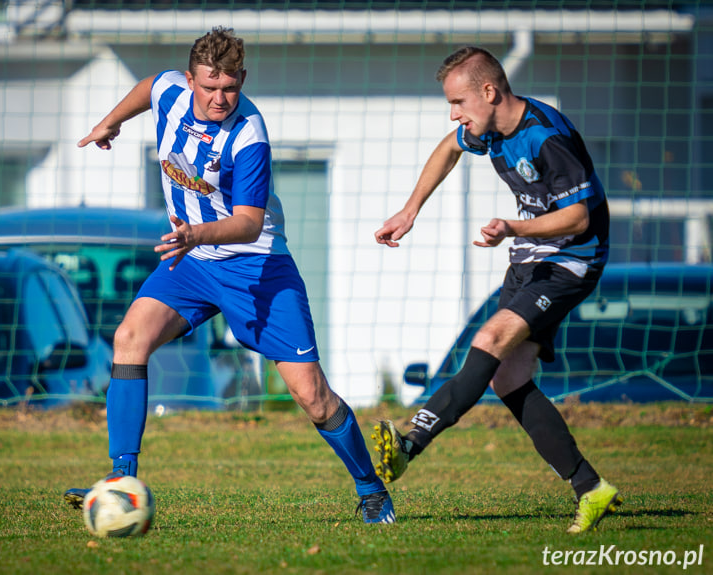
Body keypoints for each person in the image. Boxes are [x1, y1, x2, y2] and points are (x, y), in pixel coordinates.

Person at [64, 27, 395, 524]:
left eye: (231, 87)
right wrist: (110, 123)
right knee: (128, 337)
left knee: (312, 396)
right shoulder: (171, 93)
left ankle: (371, 488)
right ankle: (121, 479)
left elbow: (249, 222)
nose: (220, 98)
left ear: (243, 79)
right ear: (192, 79)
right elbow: (149, 85)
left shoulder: (249, 135)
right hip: (192, 262)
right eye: (209, 86)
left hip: (256, 267)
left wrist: (196, 234)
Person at [372, 46, 622, 534]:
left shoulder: (545, 138)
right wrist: (410, 211)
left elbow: (578, 217)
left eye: (459, 103)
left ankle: (409, 446)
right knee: (507, 379)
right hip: (532, 257)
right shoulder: (487, 131)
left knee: (488, 340)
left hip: (571, 260)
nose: (454, 115)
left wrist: (512, 226)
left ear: (489, 92)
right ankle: (592, 489)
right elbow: (447, 149)